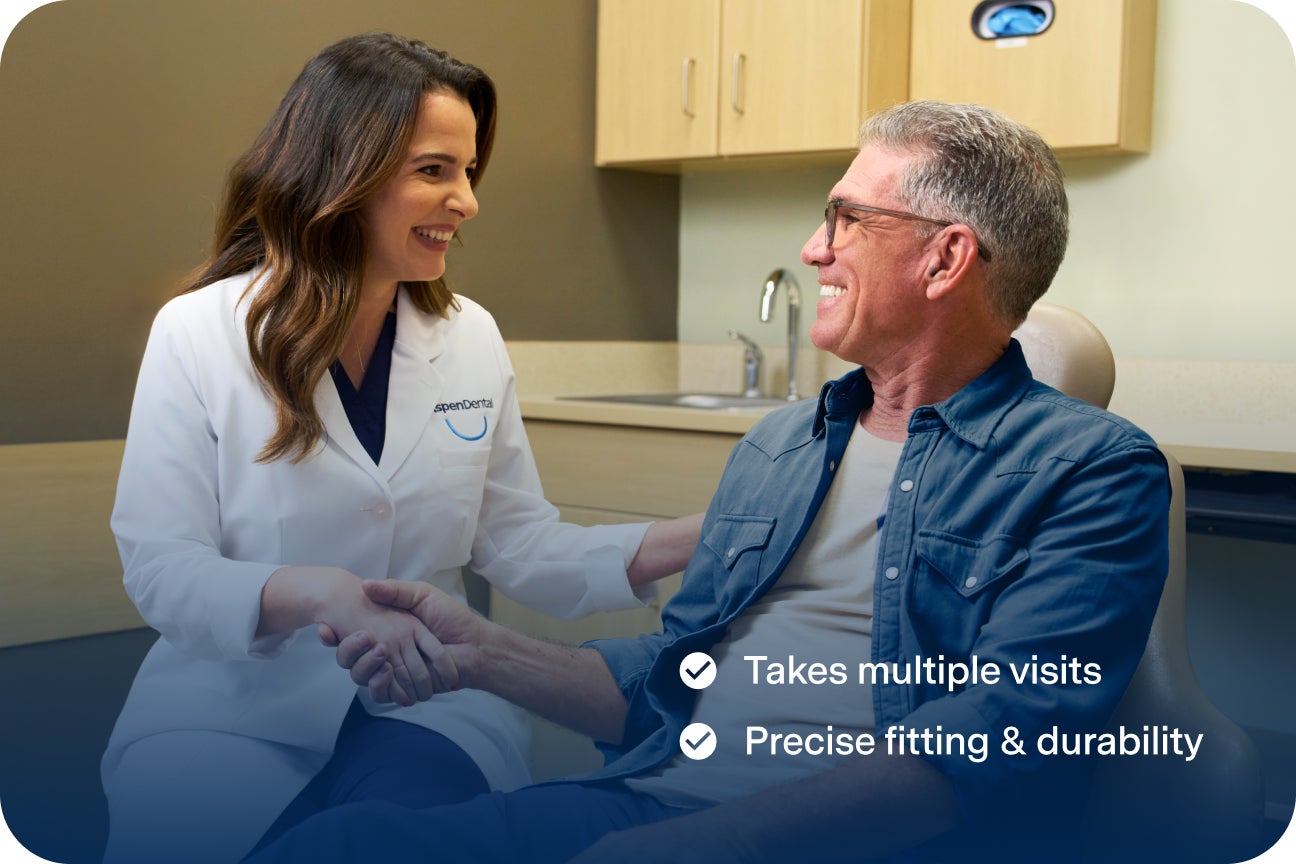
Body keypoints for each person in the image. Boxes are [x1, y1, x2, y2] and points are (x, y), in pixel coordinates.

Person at [248, 101, 1172, 864]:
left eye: (846, 217)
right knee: (341, 844)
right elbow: (668, 680)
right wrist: (477, 653)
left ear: (945, 258)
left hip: (833, 843)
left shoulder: (1094, 473)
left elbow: (995, 743)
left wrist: (695, 845)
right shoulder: (781, 448)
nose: (816, 248)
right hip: (650, 807)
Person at [102, 32, 701, 864]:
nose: (467, 200)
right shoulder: (202, 331)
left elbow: (518, 544)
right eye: (434, 170)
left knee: (410, 838)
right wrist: (318, 595)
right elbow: (162, 568)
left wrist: (703, 536)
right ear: (339, 175)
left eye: (467, 171)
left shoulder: (470, 336)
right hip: (231, 706)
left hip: (425, 706)